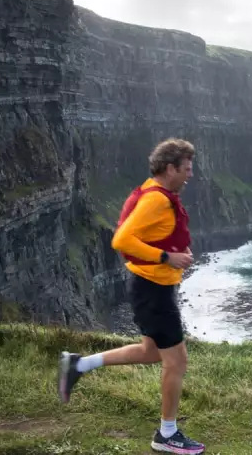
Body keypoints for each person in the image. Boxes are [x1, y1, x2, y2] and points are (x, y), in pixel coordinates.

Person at [57, 137, 205, 454]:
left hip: (151, 288)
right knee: (177, 361)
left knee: (151, 352)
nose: (191, 174)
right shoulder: (156, 200)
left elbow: (154, 233)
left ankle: (79, 365)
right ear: (171, 168)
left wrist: (177, 253)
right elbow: (121, 240)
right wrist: (167, 257)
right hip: (153, 292)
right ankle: (166, 434)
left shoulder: (154, 192)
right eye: (187, 168)